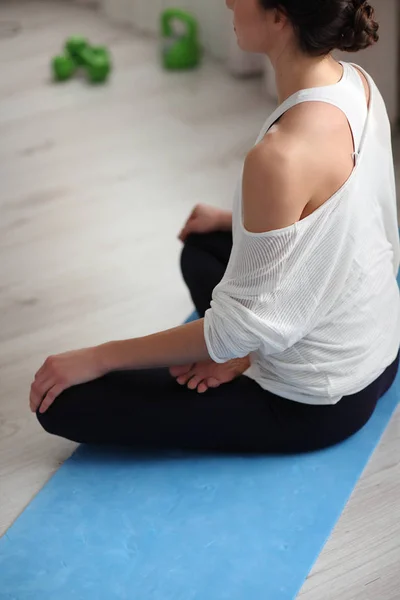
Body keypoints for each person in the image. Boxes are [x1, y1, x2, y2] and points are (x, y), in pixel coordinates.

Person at [31, 0, 400, 453]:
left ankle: (247, 364)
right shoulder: (357, 83)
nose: (227, 1)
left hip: (317, 403)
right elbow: (354, 215)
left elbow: (230, 332)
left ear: (280, 16)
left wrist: (97, 356)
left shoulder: (280, 155)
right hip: (382, 350)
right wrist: (233, 222)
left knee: (62, 401)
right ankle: (246, 348)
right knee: (204, 243)